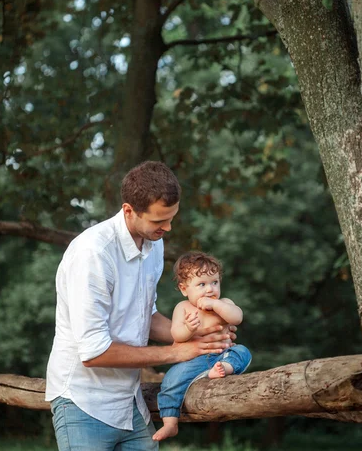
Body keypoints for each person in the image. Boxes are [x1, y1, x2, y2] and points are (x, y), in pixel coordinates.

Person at [45, 161, 233, 451]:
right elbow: (93, 352)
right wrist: (177, 352)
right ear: (129, 210)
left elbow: (146, 316)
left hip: (130, 402)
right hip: (84, 402)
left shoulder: (153, 243)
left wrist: (198, 335)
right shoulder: (93, 254)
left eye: (171, 218)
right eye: (159, 221)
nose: (167, 228)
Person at [153, 252, 252, 441]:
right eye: (202, 284)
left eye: (214, 282)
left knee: (242, 352)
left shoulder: (223, 303)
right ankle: (170, 423)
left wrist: (215, 305)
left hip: (221, 355)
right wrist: (189, 329)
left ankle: (225, 368)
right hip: (194, 361)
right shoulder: (183, 308)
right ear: (184, 289)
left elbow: (237, 317)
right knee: (171, 379)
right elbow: (176, 335)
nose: (209, 289)